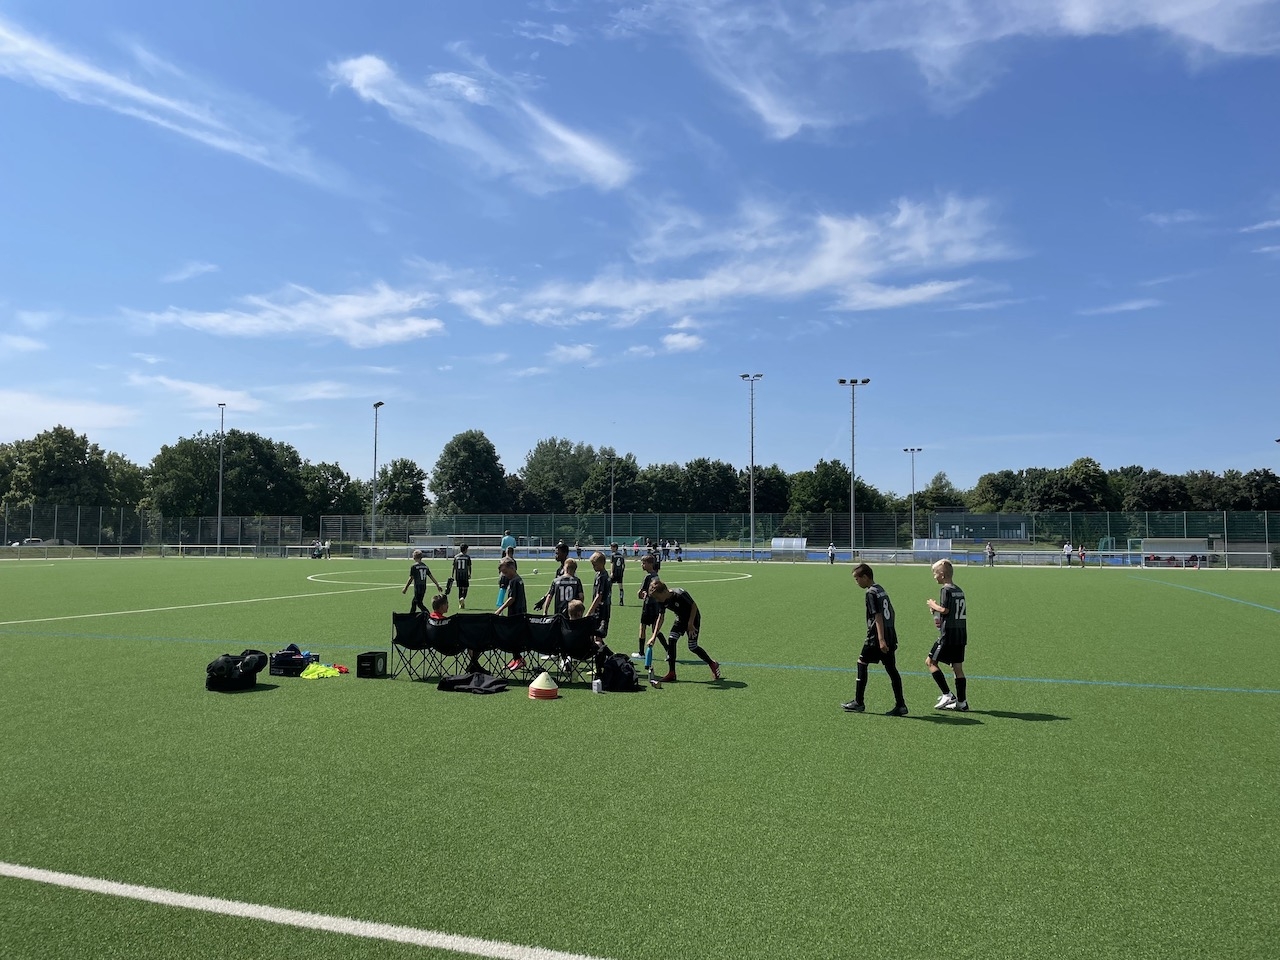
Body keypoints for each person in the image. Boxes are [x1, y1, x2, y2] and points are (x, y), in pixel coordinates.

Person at [843, 563, 908, 716]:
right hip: (889, 634)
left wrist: (881, 639)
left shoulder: (870, 593)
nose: (856, 582)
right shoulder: (880, 589)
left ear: (865, 577)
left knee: (862, 662)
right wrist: (890, 632)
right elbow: (892, 611)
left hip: (876, 637)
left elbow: (877, 615)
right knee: (891, 669)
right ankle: (901, 705)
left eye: (857, 579)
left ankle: (858, 702)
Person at [647, 579, 721, 682]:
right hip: (681, 619)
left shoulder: (680, 594)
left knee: (692, 647)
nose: (657, 600)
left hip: (693, 619)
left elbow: (694, 606)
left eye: (657, 597)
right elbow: (661, 617)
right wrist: (653, 636)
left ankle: (712, 664)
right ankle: (672, 673)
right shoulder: (662, 601)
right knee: (672, 639)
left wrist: (690, 624)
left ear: (664, 591)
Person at [925, 559, 968, 711]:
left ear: (942, 575)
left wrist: (933, 605)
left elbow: (945, 610)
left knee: (930, 662)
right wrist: (937, 611)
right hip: (960, 634)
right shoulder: (959, 590)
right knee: (957, 667)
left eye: (935, 574)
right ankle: (962, 702)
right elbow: (950, 612)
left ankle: (947, 694)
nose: (934, 577)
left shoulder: (946, 590)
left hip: (948, 634)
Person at [497, 558, 529, 670]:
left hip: (516, 613)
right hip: (519, 611)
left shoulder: (514, 581)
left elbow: (512, 598)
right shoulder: (517, 579)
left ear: (512, 568)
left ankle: (519, 659)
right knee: (513, 636)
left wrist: (499, 609)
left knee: (513, 636)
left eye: (505, 572)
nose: (505, 575)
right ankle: (516, 658)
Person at [635, 552, 663, 658]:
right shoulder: (656, 575)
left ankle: (641, 652)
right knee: (655, 629)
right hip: (656, 604)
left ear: (650, 564)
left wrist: (640, 594)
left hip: (648, 605)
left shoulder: (647, 577)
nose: (642, 565)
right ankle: (668, 650)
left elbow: (640, 593)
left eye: (644, 563)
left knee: (642, 627)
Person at [402, 549, 443, 615]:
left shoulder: (414, 566)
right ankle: (411, 616)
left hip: (418, 587)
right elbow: (431, 577)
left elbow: (411, 578)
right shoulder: (425, 566)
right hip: (423, 587)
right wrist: (437, 585)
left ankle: (429, 615)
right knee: (414, 602)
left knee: (419, 603)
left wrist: (405, 588)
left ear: (414, 557)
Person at [534, 541, 570, 611]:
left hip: (568, 607)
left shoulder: (570, 569)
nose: (555, 555)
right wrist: (544, 599)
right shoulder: (559, 570)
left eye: (557, 553)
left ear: (565, 554)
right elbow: (553, 588)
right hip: (559, 605)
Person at [450, 543, 472, 609]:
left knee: (460, 589)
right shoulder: (467, 557)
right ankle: (462, 598)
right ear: (465, 549)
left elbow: (454, 567)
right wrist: (469, 574)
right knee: (465, 588)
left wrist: (452, 575)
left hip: (458, 575)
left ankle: (461, 603)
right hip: (465, 575)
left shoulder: (456, 557)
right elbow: (469, 567)